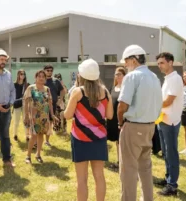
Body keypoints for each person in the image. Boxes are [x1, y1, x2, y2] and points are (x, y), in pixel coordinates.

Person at [64, 59, 113, 201]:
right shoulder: (105, 92)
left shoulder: (77, 92)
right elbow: (109, 116)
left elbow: (67, 115)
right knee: (99, 176)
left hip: (80, 138)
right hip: (99, 138)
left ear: (81, 75)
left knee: (82, 179)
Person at [117, 45, 162, 201]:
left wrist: (120, 123)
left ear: (133, 60)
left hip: (133, 125)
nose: (125, 65)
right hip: (150, 126)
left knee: (128, 170)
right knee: (145, 169)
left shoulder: (132, 76)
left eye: (126, 62)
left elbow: (122, 105)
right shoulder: (154, 77)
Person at [156, 52, 184, 196]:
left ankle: (172, 185)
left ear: (170, 62)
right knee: (166, 152)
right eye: (159, 63)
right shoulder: (167, 79)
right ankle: (168, 178)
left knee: (171, 153)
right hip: (163, 119)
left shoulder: (175, 79)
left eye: (162, 63)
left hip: (171, 122)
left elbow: (168, 101)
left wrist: (153, 105)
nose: (160, 65)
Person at [23, 70, 58, 164]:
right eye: (39, 76)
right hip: (34, 117)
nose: (41, 78)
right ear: (36, 77)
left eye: (43, 76)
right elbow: (26, 103)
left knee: (41, 134)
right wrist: (26, 115)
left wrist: (52, 114)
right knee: (33, 136)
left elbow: (50, 102)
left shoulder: (47, 89)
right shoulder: (31, 88)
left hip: (44, 116)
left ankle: (38, 155)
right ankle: (28, 156)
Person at [106, 67, 126, 172]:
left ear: (124, 76)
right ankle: (119, 161)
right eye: (116, 74)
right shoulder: (113, 87)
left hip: (121, 118)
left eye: (119, 74)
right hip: (112, 118)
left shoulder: (126, 88)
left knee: (122, 141)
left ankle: (123, 163)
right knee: (117, 141)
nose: (117, 76)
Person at [44, 65, 66, 146]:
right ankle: (37, 141)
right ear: (44, 70)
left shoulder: (56, 81)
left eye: (51, 70)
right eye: (48, 70)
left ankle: (47, 141)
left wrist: (60, 100)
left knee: (50, 122)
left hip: (52, 105)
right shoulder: (41, 79)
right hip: (42, 105)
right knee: (41, 122)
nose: (49, 72)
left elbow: (63, 91)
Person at [13, 69, 30, 141]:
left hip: (25, 105)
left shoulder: (27, 85)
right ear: (18, 75)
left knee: (26, 120)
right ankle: (15, 135)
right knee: (16, 121)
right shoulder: (14, 85)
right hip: (17, 104)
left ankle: (27, 136)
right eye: (21, 74)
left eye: (24, 74)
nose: (23, 75)